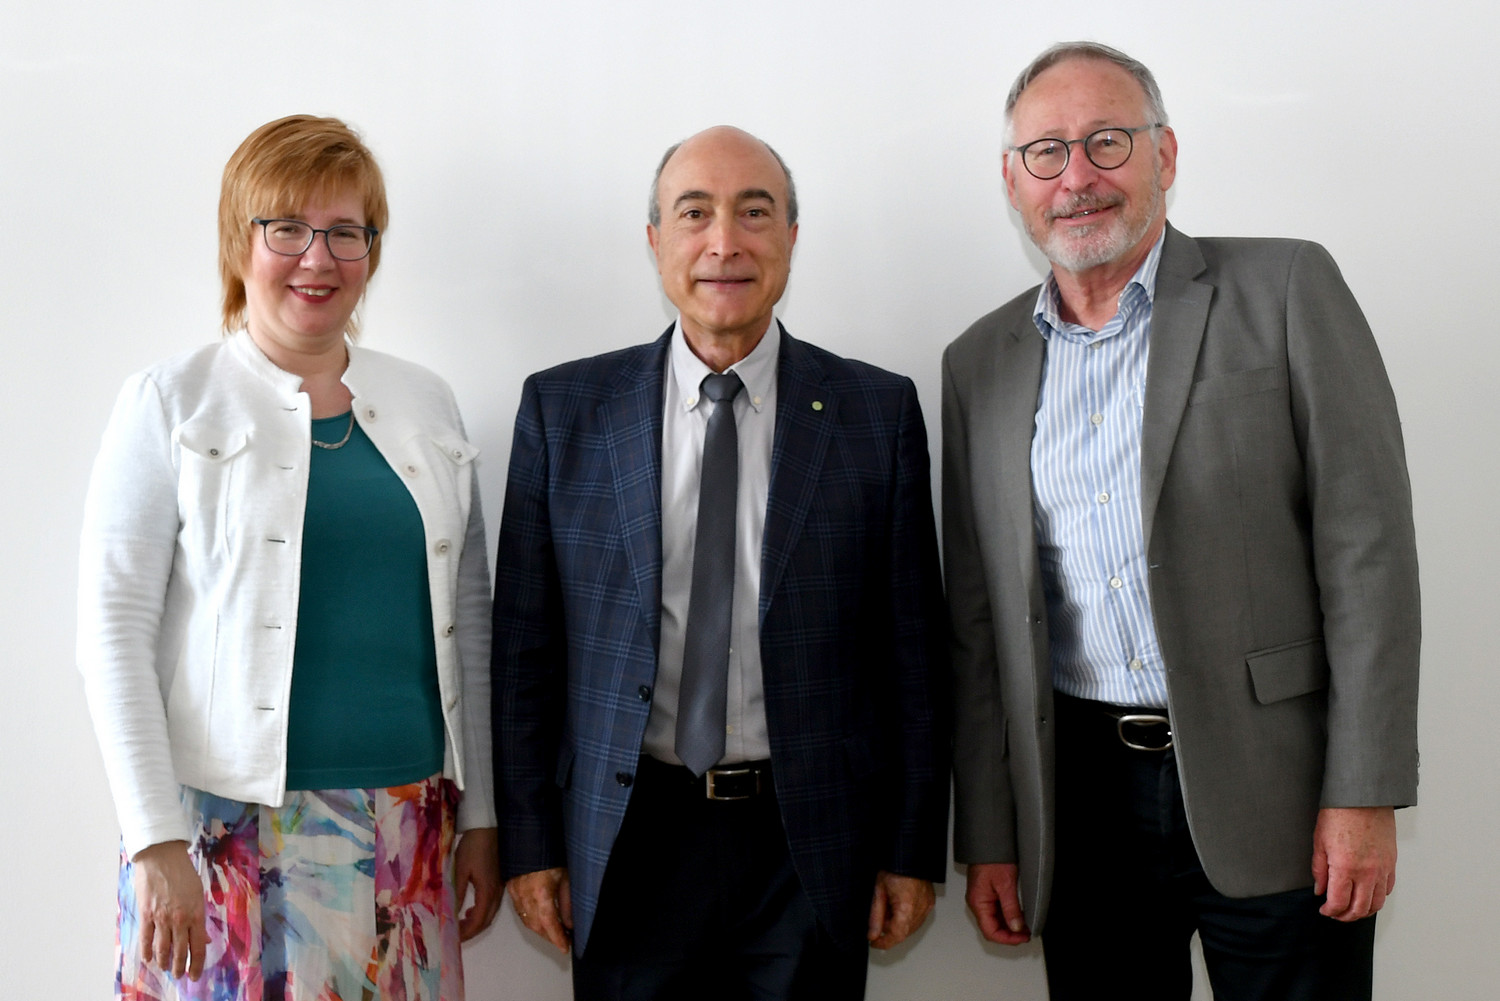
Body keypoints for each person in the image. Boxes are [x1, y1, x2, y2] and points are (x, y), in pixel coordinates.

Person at [943, 42, 1419, 1001]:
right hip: (1078, 805)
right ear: (1012, 180)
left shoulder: (1285, 289)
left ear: (1165, 155)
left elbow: (1367, 556)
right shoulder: (977, 363)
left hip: (1277, 788)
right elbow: (979, 627)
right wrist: (992, 836)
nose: (1077, 177)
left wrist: (1363, 790)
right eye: (1047, 152)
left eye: (1106, 142)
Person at [491, 125, 948, 999]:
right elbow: (524, 656)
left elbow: (913, 656)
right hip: (627, 835)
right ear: (656, 240)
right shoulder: (564, 410)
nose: (724, 242)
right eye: (694, 213)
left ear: (791, 239)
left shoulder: (874, 412)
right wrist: (533, 843)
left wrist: (908, 847)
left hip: (808, 839)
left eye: (754, 212)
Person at [77, 114, 500, 1001]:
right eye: (288, 229)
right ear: (240, 241)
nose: (319, 258)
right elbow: (112, 630)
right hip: (221, 839)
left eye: (347, 231)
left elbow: (471, 622)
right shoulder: (170, 402)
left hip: (408, 827)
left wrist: (485, 814)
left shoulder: (427, 402)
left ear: (372, 252)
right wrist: (155, 839)